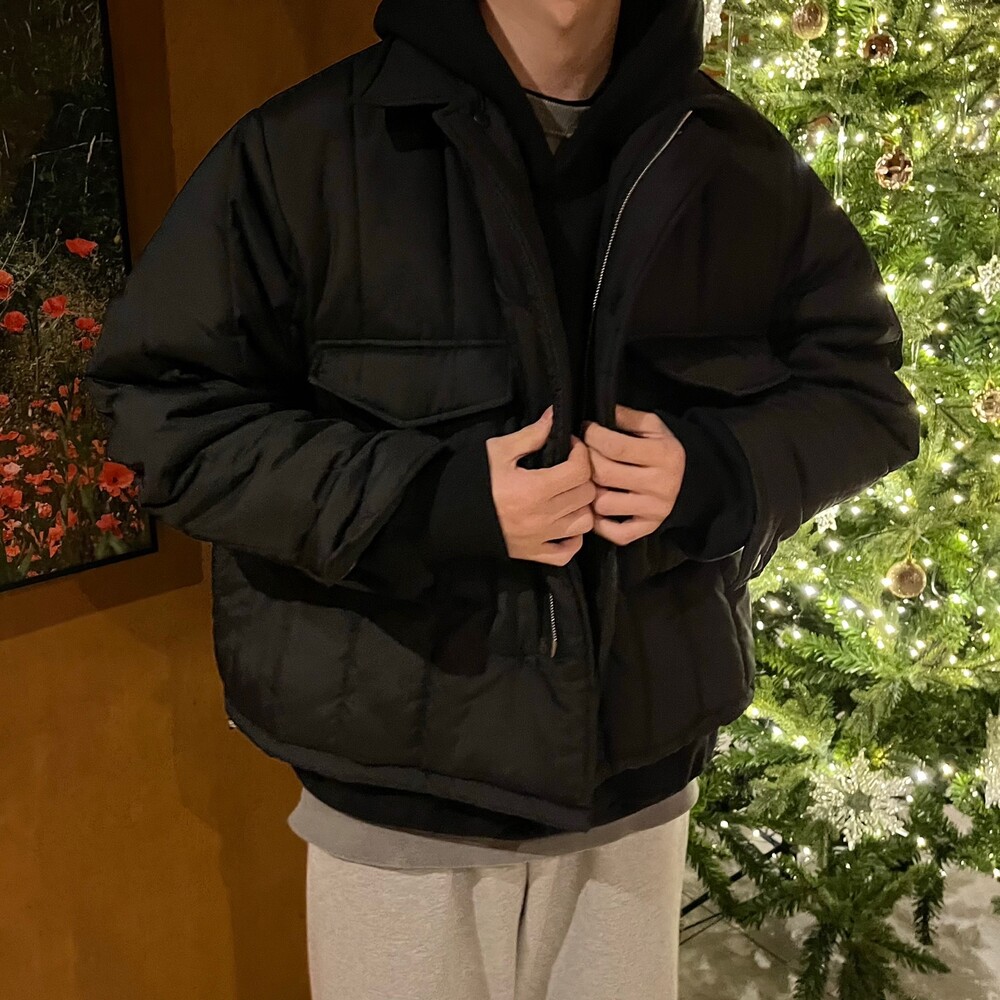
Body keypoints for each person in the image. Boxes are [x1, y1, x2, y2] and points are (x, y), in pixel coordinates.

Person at [82, 0, 922, 996]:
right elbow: (160, 410)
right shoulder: (300, 149)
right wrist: (428, 503)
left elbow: (864, 393)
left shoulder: (737, 160)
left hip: (638, 775)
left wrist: (717, 472)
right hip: (397, 781)